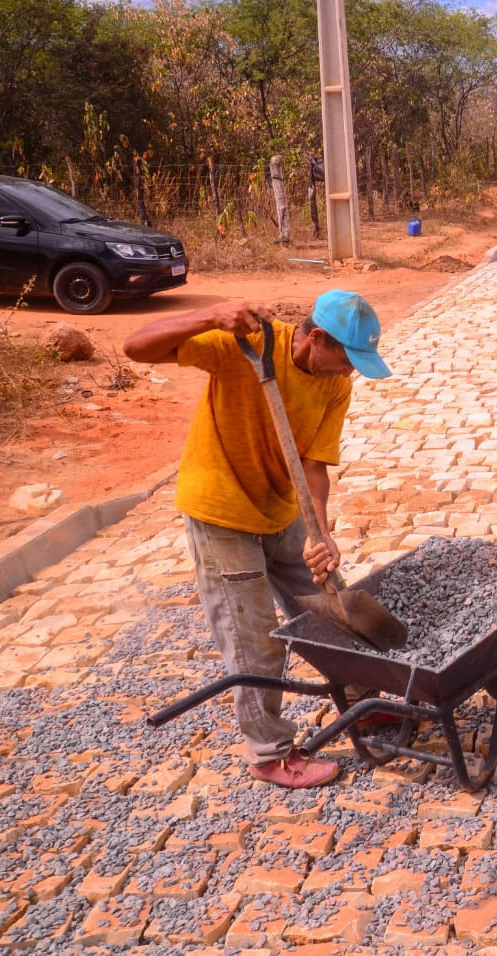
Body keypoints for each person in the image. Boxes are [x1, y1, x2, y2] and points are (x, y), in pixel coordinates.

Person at [124, 291, 393, 788]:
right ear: (316, 339)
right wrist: (210, 315)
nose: (349, 372)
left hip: (280, 510)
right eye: (345, 359)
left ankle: (364, 703)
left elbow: (313, 465)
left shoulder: (335, 385)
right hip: (221, 510)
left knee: (329, 604)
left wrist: (322, 532)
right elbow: (135, 347)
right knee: (253, 640)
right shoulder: (240, 348)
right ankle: (270, 753)